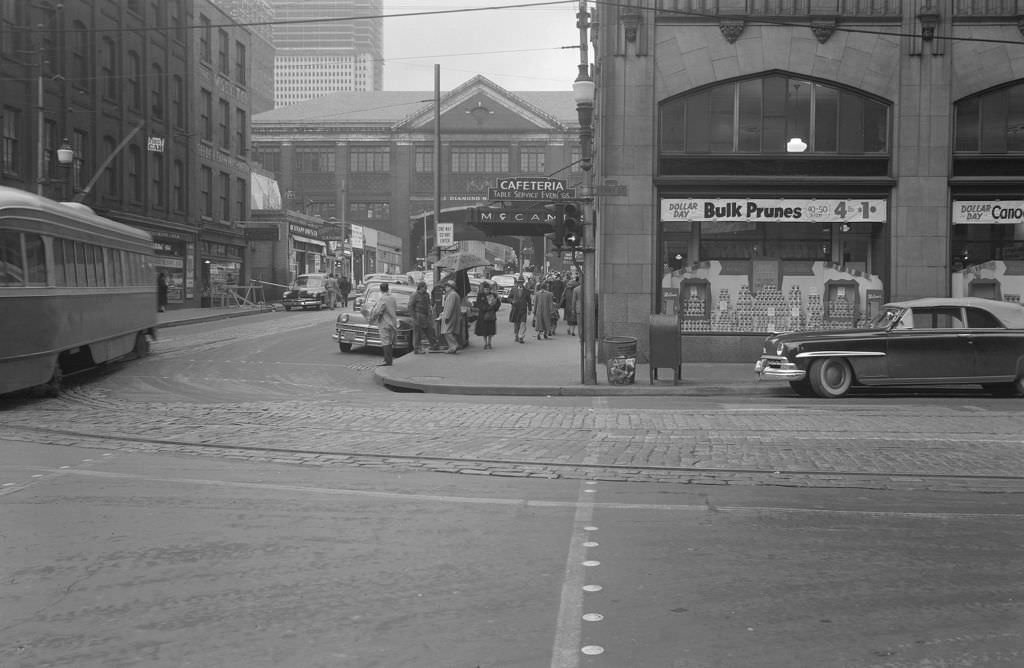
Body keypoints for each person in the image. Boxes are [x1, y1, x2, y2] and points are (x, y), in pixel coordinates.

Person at [408, 281, 439, 354]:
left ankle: (434, 345)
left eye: (426, 287)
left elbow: (428, 304)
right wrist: (414, 316)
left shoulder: (426, 295)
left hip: (426, 315)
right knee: (417, 333)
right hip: (418, 315)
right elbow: (410, 306)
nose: (426, 289)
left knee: (430, 330)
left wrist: (430, 313)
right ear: (420, 288)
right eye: (425, 287)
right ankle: (417, 348)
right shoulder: (414, 295)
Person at [374, 282, 399, 366]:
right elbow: (395, 308)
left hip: (384, 322)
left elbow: (379, 311)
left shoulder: (383, 299)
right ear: (388, 288)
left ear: (380, 289)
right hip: (393, 321)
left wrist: (373, 317)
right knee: (390, 341)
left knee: (385, 342)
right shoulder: (392, 297)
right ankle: (389, 360)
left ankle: (387, 360)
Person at [473, 281, 501, 350]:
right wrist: (487, 308)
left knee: (491, 331)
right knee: (484, 331)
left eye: (488, 289)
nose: (486, 290)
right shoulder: (480, 295)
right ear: (483, 289)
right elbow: (479, 304)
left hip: (491, 315)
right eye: (485, 289)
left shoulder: (493, 295)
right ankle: (485, 343)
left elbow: (498, 303)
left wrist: (494, 308)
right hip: (483, 315)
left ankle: (489, 343)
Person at [439, 280, 462, 354]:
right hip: (453, 316)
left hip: (450, 316)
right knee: (450, 332)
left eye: (447, 286)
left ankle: (454, 345)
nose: (445, 288)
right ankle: (451, 348)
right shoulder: (454, 294)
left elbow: (450, 307)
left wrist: (446, 316)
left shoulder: (452, 295)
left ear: (451, 287)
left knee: (447, 331)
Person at [507, 275, 532, 344]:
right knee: (516, 323)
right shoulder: (513, 290)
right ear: (517, 283)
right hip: (515, 309)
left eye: (521, 282)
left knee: (523, 323)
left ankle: (521, 336)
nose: (520, 284)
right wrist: (512, 301)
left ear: (523, 282)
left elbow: (529, 301)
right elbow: (509, 298)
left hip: (523, 309)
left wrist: (530, 309)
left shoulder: (527, 291)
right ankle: (516, 335)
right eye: (519, 282)